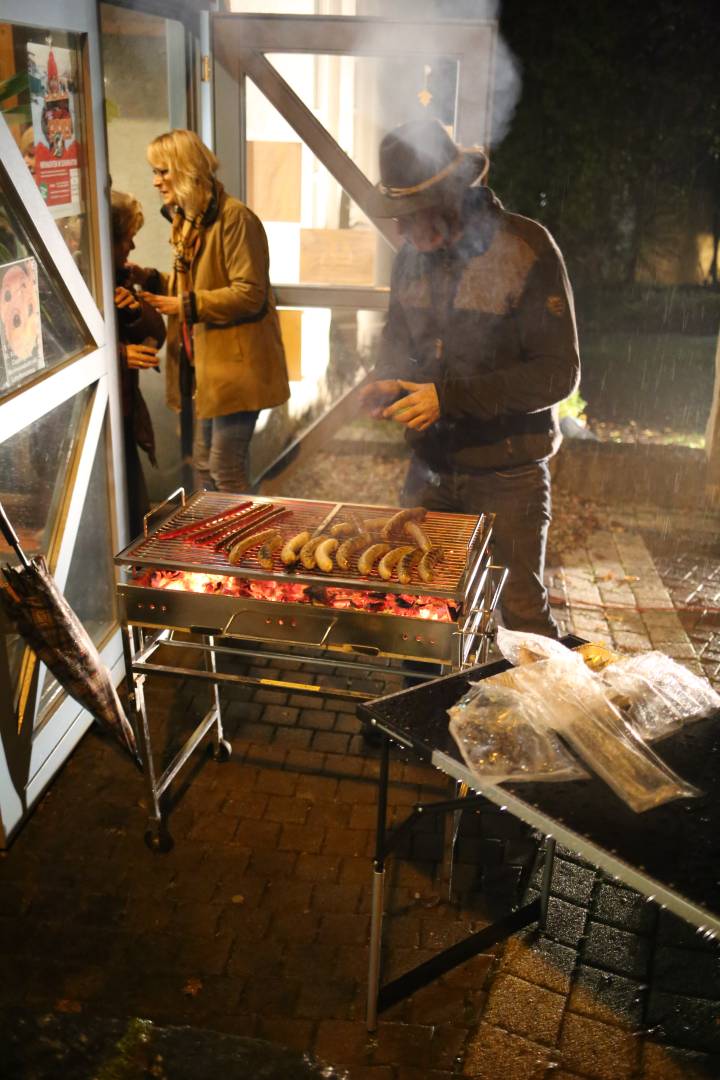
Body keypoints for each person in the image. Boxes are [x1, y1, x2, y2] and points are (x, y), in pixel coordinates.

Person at [361, 119, 580, 638]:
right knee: (418, 611)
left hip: (507, 475)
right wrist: (384, 379)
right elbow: (398, 344)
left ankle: (533, 719)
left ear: (449, 199)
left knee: (522, 618)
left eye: (407, 216)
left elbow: (558, 374)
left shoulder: (526, 248)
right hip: (429, 469)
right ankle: (419, 718)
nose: (399, 231)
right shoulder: (411, 258)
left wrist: (449, 398)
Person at [141, 129, 290, 493]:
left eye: (163, 171)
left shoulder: (235, 219)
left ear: (186, 169)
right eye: (154, 172)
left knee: (224, 468)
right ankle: (220, 546)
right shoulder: (191, 218)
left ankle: (243, 547)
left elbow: (249, 294)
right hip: (212, 370)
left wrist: (185, 305)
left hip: (237, 371)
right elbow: (194, 287)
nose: (156, 181)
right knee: (205, 467)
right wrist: (148, 279)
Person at [110, 189, 166, 538]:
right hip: (97, 421)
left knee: (135, 514)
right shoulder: (82, 274)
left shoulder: (124, 274)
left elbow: (156, 331)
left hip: (125, 412)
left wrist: (133, 312)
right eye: (127, 238)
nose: (132, 246)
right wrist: (120, 356)